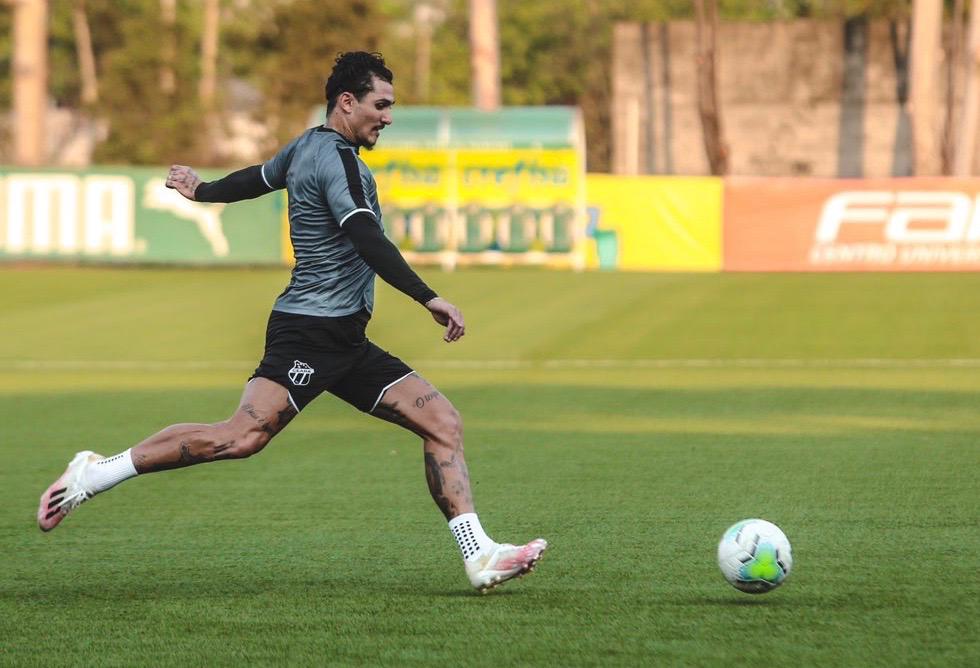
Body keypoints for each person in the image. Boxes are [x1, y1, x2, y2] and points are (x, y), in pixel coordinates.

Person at [37, 51, 546, 594]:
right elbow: (367, 237)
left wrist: (203, 190)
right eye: (382, 105)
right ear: (346, 103)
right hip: (307, 332)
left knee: (442, 423)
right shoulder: (339, 160)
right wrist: (429, 297)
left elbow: (256, 179)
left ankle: (479, 555)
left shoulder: (305, 145)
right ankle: (94, 473)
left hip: (345, 339)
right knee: (240, 437)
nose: (388, 117)